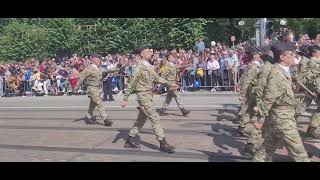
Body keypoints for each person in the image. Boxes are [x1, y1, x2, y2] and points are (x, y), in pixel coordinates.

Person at [253, 42, 309, 162]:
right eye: (291, 55)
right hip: (283, 119)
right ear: (282, 57)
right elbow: (269, 97)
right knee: (299, 153)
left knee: (266, 150)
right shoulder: (277, 73)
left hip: (281, 118)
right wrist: (260, 118)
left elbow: (283, 94)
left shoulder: (285, 71)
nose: (294, 57)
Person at [120, 46, 178, 154]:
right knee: (155, 117)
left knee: (141, 120)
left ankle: (129, 140)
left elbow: (157, 78)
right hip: (143, 96)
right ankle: (163, 143)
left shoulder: (148, 66)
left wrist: (170, 83)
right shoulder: (139, 68)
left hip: (149, 95)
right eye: (148, 52)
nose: (150, 53)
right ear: (142, 54)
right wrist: (125, 99)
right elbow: (131, 84)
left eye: (150, 51)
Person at [243, 49, 275, 156]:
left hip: (269, 99)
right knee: (261, 122)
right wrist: (261, 103)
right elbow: (261, 87)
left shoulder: (270, 67)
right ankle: (251, 145)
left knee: (266, 124)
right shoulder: (266, 68)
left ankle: (253, 144)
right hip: (265, 100)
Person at [76, 54, 119, 126]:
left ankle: (88, 116)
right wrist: (76, 87)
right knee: (99, 103)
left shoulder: (100, 68)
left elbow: (107, 70)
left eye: (100, 60)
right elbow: (81, 78)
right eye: (98, 60)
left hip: (97, 88)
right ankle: (105, 119)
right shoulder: (88, 69)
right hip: (91, 88)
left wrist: (117, 69)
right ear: (94, 60)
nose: (100, 61)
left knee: (92, 104)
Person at [237, 47, 263, 137]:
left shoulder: (257, 65)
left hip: (256, 90)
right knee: (258, 110)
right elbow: (247, 80)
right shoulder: (253, 66)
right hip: (254, 92)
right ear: (254, 56)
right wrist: (242, 94)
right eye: (258, 54)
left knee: (251, 110)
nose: (260, 56)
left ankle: (242, 126)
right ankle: (255, 134)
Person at [303, 45, 320, 138]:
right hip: (318, 88)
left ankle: (312, 128)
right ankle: (312, 128)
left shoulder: (316, 62)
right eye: (318, 52)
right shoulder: (312, 62)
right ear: (314, 53)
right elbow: (310, 77)